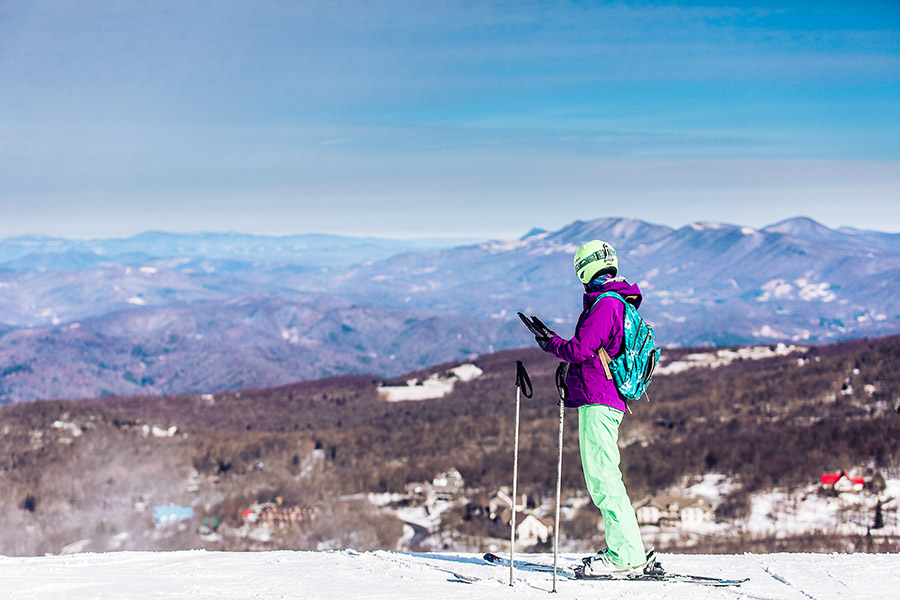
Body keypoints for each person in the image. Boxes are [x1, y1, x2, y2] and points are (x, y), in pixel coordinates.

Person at [532, 239, 651, 578]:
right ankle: (626, 549)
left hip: (599, 399)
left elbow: (581, 349)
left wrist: (550, 342)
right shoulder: (618, 301)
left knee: (603, 478)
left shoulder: (605, 305)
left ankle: (625, 555)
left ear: (584, 270)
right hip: (604, 398)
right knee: (604, 476)